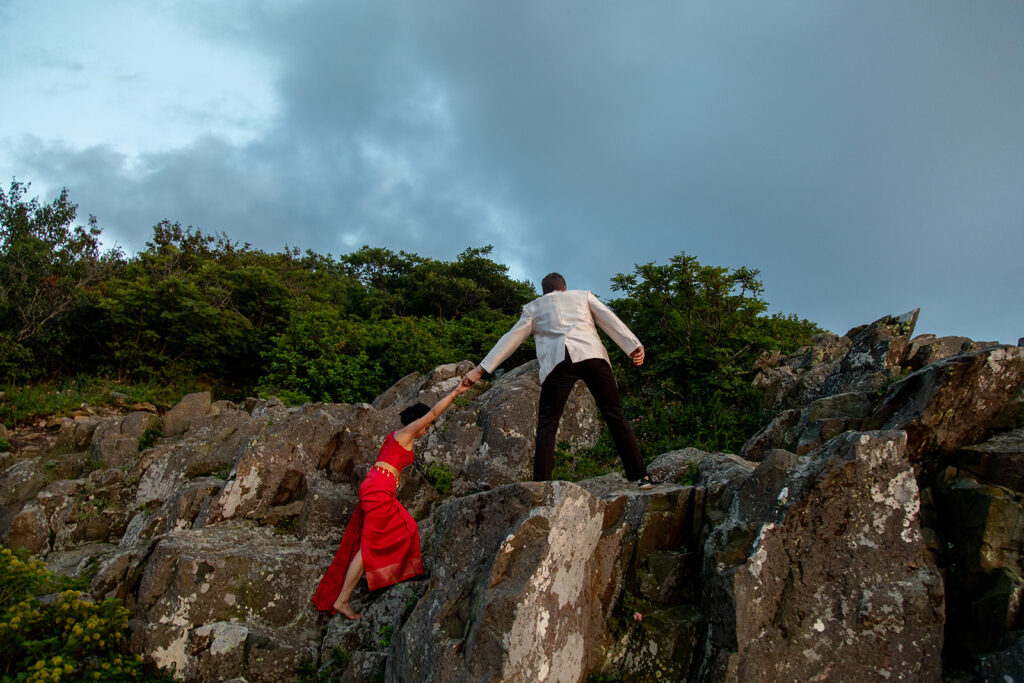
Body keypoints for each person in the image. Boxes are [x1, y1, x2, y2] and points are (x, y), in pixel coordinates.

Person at [463, 272, 658, 488]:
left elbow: (511, 339)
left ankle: (541, 485)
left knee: (548, 423)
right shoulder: (582, 296)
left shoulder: (533, 308)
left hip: (558, 360)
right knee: (614, 414)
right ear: (564, 288)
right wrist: (633, 345)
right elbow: (608, 318)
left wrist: (480, 370)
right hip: (592, 355)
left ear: (544, 292)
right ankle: (641, 476)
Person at [310, 377, 473, 619]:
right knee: (369, 545)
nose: (426, 430)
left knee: (407, 526)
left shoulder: (395, 435)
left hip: (378, 488)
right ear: (418, 423)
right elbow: (435, 412)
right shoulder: (407, 433)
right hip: (378, 490)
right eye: (426, 427)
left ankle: (389, 575)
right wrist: (456, 392)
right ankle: (343, 599)